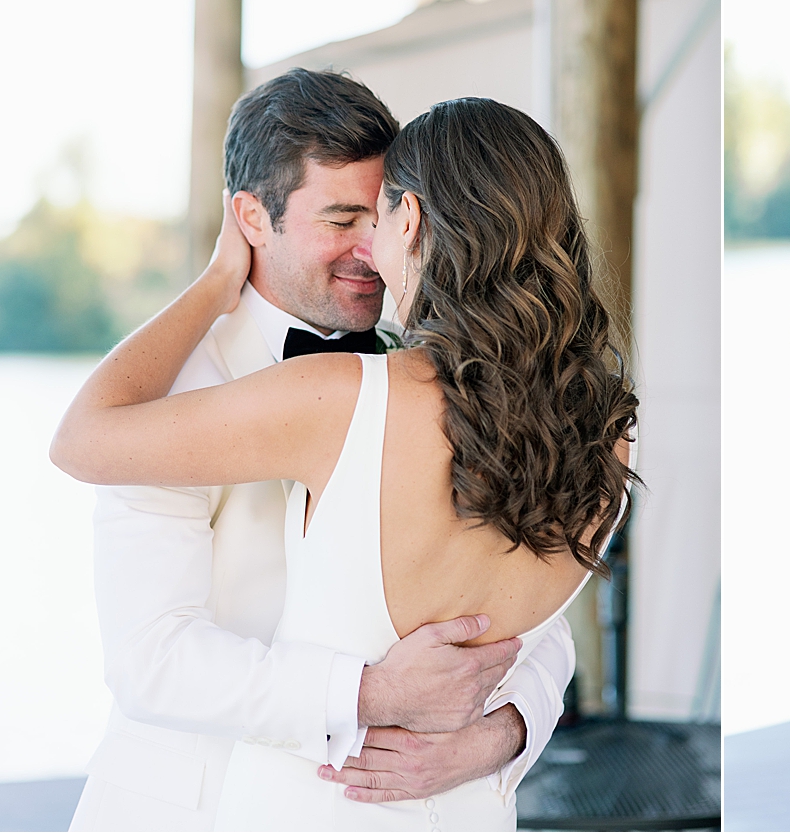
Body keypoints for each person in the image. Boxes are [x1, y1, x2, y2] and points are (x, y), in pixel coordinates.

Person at [55, 80, 633, 831]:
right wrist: (370, 693)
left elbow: (534, 623)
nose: (367, 245)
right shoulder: (180, 382)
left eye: (379, 208)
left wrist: (503, 732)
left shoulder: (419, 378)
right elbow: (151, 659)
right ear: (251, 218)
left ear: (415, 215)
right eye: (340, 217)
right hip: (186, 810)